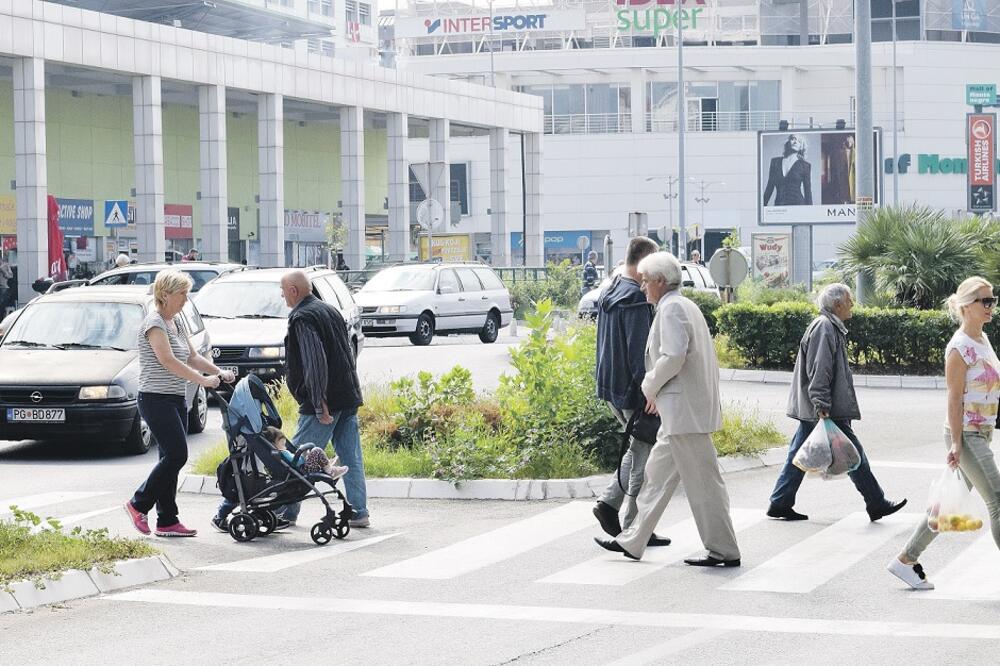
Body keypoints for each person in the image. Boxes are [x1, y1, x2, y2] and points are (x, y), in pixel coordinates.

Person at [594, 251, 741, 566]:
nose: (643, 286)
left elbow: (673, 356)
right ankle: (633, 540)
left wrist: (649, 386)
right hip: (681, 413)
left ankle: (724, 549)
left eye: (646, 281)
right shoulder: (680, 305)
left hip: (684, 414)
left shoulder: (672, 309)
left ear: (661, 282)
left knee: (704, 486)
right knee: (655, 478)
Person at [887, 277, 1000, 590]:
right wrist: (957, 445)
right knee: (998, 501)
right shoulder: (959, 347)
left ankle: (905, 560)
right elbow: (954, 397)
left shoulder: (981, 339)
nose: (992, 306)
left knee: (946, 504)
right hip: (966, 435)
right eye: (985, 301)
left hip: (981, 432)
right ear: (966, 306)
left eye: (993, 299)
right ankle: (906, 559)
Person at [767, 283, 907, 522]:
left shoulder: (829, 326)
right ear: (838, 304)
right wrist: (821, 404)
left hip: (820, 408)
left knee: (801, 453)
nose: (852, 303)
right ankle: (875, 502)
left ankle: (780, 501)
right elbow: (819, 369)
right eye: (849, 299)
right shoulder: (824, 327)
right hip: (824, 409)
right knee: (853, 454)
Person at [124, 270, 235, 537]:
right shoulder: (155, 323)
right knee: (177, 455)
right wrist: (203, 381)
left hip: (175, 398)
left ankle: (167, 520)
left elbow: (192, 356)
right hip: (155, 398)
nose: (187, 298)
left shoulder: (177, 321)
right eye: (182, 293)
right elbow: (169, 361)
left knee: (168, 458)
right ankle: (138, 504)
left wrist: (217, 372)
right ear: (165, 294)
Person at [275, 270, 370, 528]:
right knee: (351, 457)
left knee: (299, 459)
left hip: (325, 403)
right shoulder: (329, 310)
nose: (282, 295)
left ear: (294, 290)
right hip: (347, 396)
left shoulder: (302, 317)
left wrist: (319, 404)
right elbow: (346, 354)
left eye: (283, 290)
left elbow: (315, 363)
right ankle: (359, 512)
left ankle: (285, 511)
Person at [592, 236, 670, 547]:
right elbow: (640, 354)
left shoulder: (610, 290)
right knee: (643, 461)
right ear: (643, 263)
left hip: (611, 385)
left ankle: (610, 506)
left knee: (636, 449)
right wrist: (650, 393)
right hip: (635, 391)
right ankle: (634, 528)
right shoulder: (636, 300)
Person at [211, 426, 347, 532]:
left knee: (313, 452)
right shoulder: (280, 453)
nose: (285, 446)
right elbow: (295, 461)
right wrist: (303, 455)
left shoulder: (280, 452)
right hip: (299, 472)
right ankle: (330, 470)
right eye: (282, 444)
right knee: (316, 451)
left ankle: (328, 468)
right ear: (275, 444)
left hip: (299, 472)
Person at [762, 134, 813, 206]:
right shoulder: (775, 162)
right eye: (793, 139)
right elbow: (769, 187)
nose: (795, 142)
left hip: (798, 205)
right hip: (779, 206)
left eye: (799, 141)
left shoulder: (805, 166)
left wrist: (810, 212)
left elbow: (808, 193)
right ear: (788, 142)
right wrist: (762, 207)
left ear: (801, 147)